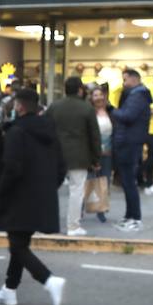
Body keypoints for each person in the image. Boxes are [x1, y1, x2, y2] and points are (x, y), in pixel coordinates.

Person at [0, 86, 68, 305]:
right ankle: (9, 289)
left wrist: (0, 193)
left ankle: (49, 280)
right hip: (41, 197)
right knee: (20, 244)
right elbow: (61, 166)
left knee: (18, 246)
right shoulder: (50, 131)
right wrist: (47, 188)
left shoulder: (16, 132)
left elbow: (11, 168)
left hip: (18, 198)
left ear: (19, 107)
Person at [47, 75, 103, 236]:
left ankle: (47, 223)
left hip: (55, 154)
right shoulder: (87, 109)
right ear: (80, 90)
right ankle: (73, 225)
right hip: (80, 156)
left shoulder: (54, 106)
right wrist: (96, 158)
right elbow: (94, 136)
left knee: (50, 189)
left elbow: (46, 128)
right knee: (76, 191)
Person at [110, 68, 152, 231]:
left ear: (134, 80)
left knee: (129, 182)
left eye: (125, 79)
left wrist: (110, 110)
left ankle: (135, 218)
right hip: (129, 142)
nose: (124, 83)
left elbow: (127, 116)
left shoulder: (137, 96)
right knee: (127, 182)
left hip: (129, 143)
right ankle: (130, 216)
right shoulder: (137, 95)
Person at [89, 85, 114, 223]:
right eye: (95, 95)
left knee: (105, 182)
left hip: (108, 152)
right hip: (93, 152)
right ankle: (80, 209)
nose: (99, 98)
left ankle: (101, 210)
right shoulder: (89, 113)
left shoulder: (111, 111)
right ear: (91, 98)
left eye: (100, 95)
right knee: (89, 181)